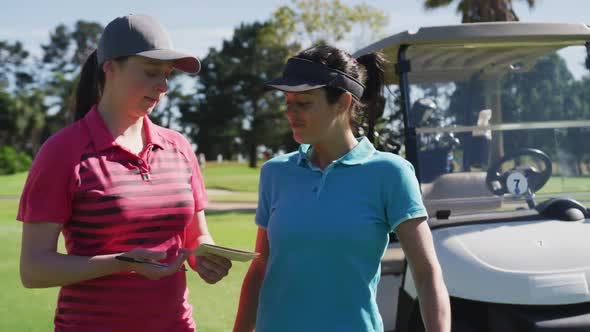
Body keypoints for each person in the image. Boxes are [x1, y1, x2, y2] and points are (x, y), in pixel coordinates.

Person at [18, 14, 231, 332]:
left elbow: (195, 237)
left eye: (167, 75)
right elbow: (34, 269)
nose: (163, 86)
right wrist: (122, 262)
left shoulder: (179, 147)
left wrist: (205, 260)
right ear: (110, 68)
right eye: (150, 73)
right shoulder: (62, 151)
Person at [233, 45, 451, 332]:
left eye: (304, 103)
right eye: (288, 102)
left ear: (343, 102)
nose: (290, 113)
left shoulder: (390, 173)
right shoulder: (276, 173)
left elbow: (426, 272)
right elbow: (261, 268)